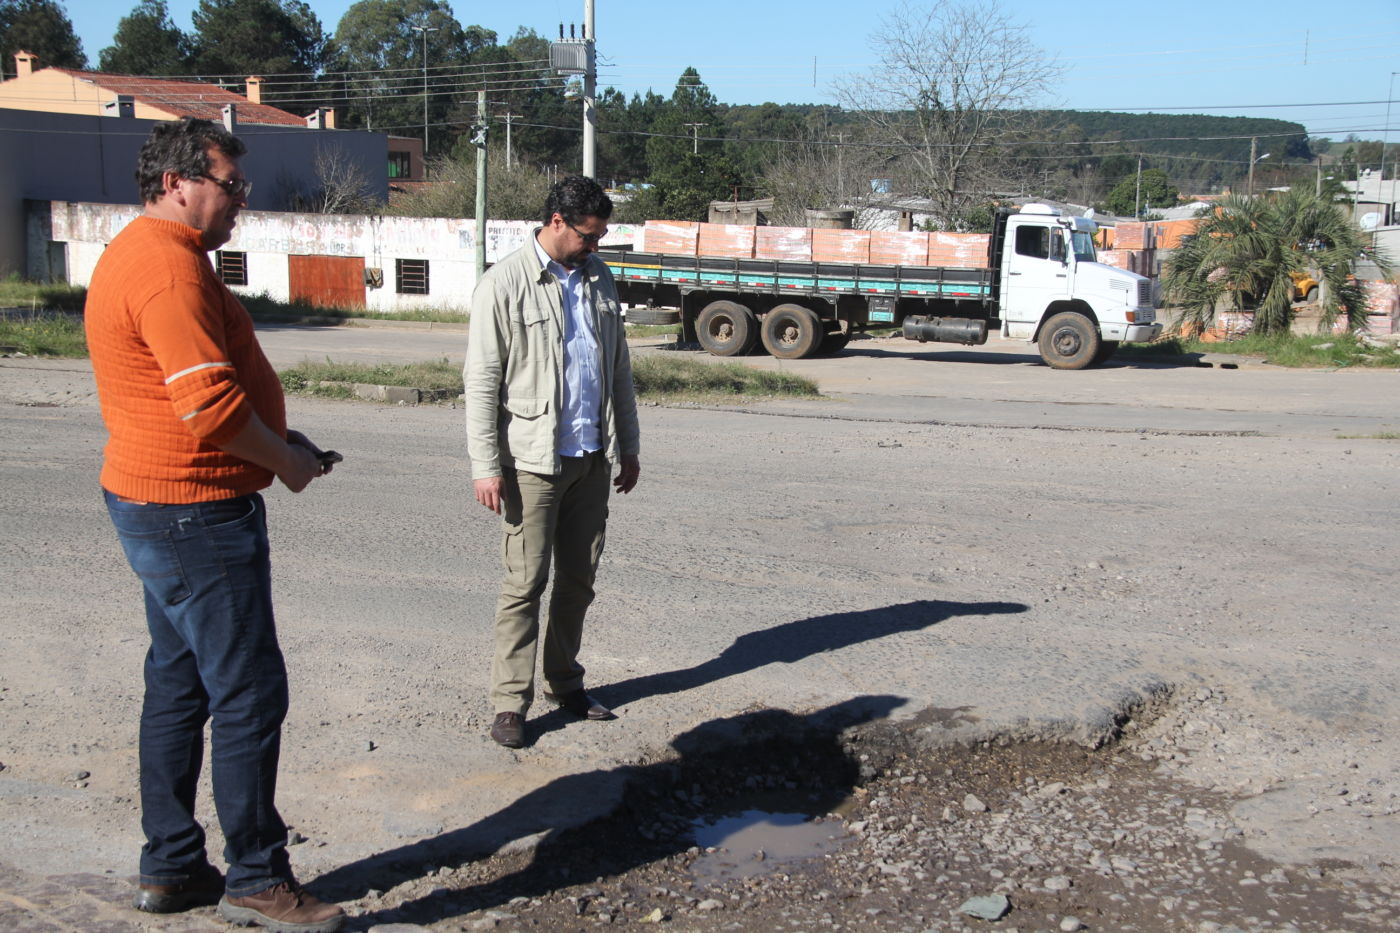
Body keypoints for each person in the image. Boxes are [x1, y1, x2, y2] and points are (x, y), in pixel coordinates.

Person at [85, 117, 345, 933]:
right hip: (192, 509)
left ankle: (169, 866)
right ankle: (256, 878)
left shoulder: (146, 252)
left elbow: (198, 395)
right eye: (230, 186)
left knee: (179, 680)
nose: (241, 202)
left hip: (155, 500)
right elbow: (208, 406)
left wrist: (280, 439)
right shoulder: (168, 270)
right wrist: (285, 463)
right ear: (177, 183)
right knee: (248, 690)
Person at [465, 174, 641, 750]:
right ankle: (509, 703)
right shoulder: (505, 282)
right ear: (557, 222)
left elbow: (618, 372)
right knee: (524, 583)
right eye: (590, 236)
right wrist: (486, 465)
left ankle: (564, 682)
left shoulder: (600, 279)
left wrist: (629, 447)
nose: (596, 246)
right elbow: (483, 381)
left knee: (579, 580)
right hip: (533, 462)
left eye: (601, 237)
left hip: (591, 456)